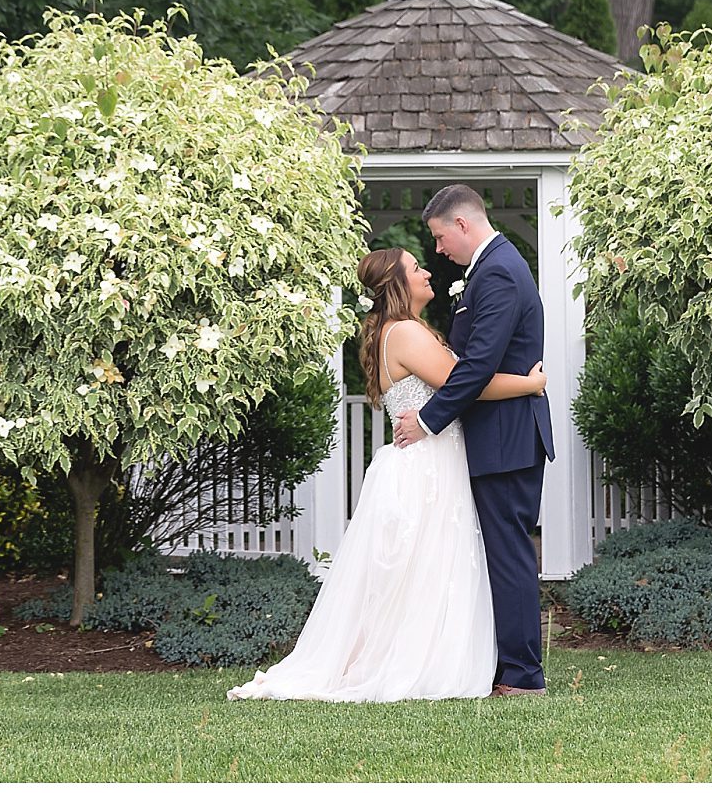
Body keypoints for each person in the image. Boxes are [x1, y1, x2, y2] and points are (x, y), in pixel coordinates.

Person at [227, 247, 545, 702]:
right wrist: (530, 384)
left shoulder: (402, 331)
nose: (427, 270)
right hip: (428, 465)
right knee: (426, 568)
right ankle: (414, 664)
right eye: (416, 268)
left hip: (432, 458)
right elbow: (466, 384)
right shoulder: (407, 335)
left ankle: (435, 656)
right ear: (398, 283)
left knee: (429, 569)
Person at [391, 184, 555, 697]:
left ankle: (523, 677)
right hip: (497, 436)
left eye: (440, 237)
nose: (438, 250)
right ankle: (507, 667)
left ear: (462, 225)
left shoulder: (500, 271)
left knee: (509, 555)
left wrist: (430, 420)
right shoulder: (488, 270)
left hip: (507, 438)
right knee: (503, 553)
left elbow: (479, 365)